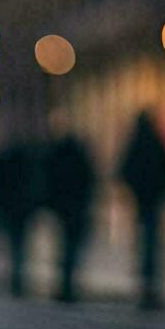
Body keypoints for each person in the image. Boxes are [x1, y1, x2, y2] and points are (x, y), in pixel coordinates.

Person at [120, 111, 165, 309]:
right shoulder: (155, 144)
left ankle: (144, 286)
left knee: (144, 244)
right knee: (151, 245)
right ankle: (150, 287)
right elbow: (164, 175)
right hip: (152, 202)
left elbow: (125, 170)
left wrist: (135, 192)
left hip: (143, 202)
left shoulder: (136, 144)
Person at [45, 128, 96, 303]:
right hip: (76, 209)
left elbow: (51, 182)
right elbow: (90, 182)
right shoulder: (80, 158)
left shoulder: (59, 157)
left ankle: (65, 285)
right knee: (72, 250)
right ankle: (69, 286)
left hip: (64, 209)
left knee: (65, 249)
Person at [0, 142, 41, 297]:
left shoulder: (12, 161)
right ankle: (11, 278)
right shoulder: (16, 160)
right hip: (12, 208)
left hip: (14, 208)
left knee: (15, 245)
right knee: (13, 245)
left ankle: (12, 278)